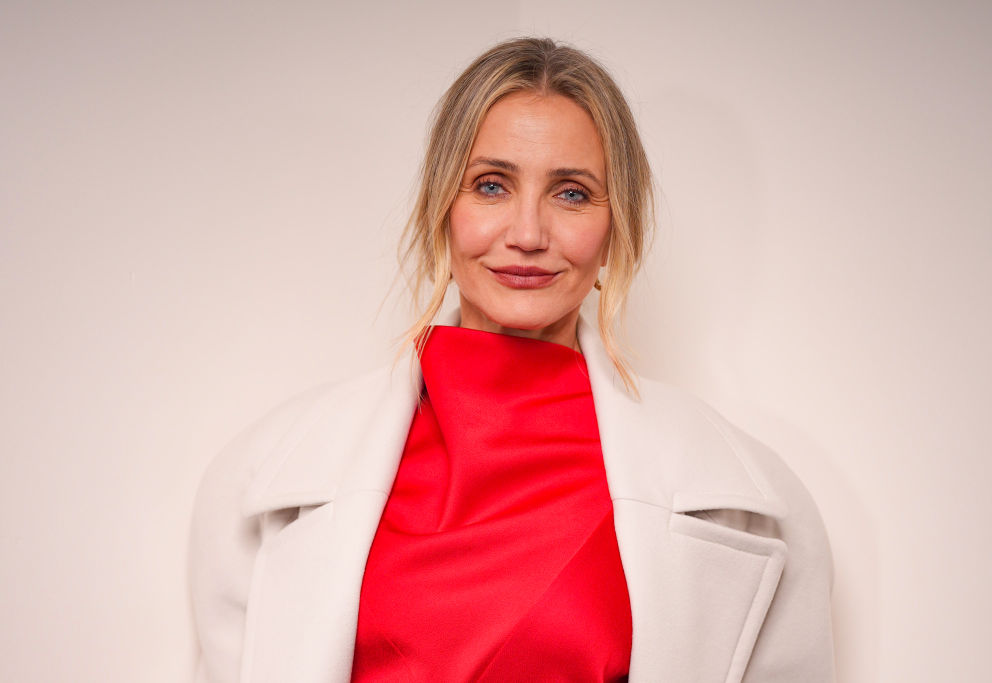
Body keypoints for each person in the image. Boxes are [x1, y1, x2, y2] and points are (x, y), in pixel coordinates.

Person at [189, 37, 835, 682]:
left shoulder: (749, 497)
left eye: (572, 193)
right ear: (442, 209)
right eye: (491, 185)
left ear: (617, 228)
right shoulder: (263, 477)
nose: (527, 234)